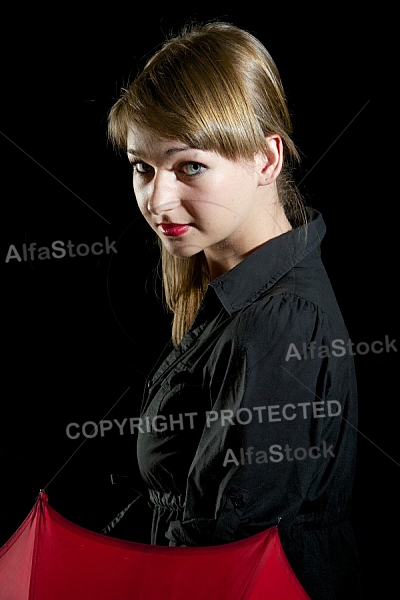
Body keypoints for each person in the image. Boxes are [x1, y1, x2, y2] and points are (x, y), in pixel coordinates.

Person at [106, 20, 361, 599]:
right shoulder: (227, 291)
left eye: (189, 166)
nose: (156, 198)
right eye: (142, 168)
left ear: (267, 159)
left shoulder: (281, 318)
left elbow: (225, 555)